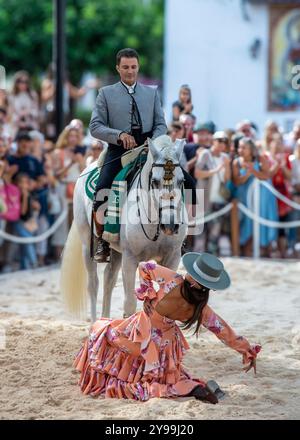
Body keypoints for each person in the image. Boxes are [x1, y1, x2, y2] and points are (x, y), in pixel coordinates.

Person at [74, 253, 261, 402]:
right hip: (165, 348)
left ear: (193, 278)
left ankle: (192, 389)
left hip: (142, 335)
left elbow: (143, 266)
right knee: (171, 375)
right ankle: (193, 388)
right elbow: (223, 331)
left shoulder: (172, 279)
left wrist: (148, 293)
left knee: (100, 329)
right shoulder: (201, 308)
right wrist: (246, 350)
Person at [90, 48, 196, 263]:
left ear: (138, 68)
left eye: (134, 67)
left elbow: (160, 124)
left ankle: (183, 237)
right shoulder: (105, 93)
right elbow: (95, 127)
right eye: (126, 67)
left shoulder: (151, 92)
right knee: (102, 189)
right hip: (120, 150)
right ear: (118, 68)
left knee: (189, 182)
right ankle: (103, 240)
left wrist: (153, 142)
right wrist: (118, 135)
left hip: (151, 149)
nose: (130, 71)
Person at [232, 137, 278, 257]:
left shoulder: (260, 158)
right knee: (246, 224)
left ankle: (265, 251)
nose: (240, 150)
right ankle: (245, 251)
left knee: (262, 221)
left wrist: (253, 171)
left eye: (244, 147)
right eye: (239, 147)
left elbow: (266, 176)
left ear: (251, 149)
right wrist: (247, 174)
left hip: (262, 198)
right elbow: (236, 182)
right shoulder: (236, 162)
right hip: (244, 198)